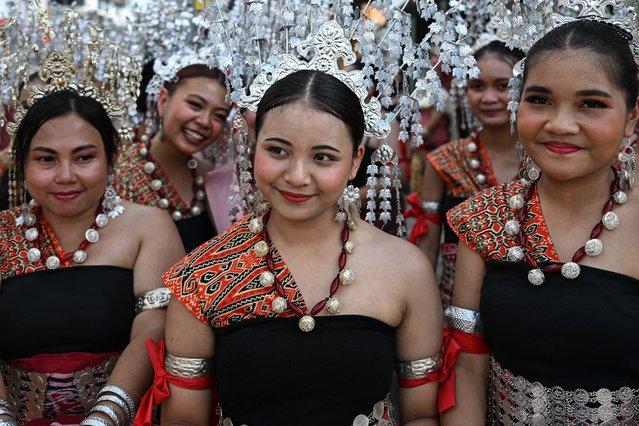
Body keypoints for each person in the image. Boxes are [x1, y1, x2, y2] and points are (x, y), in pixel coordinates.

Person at [135, 69, 443, 425]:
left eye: (323, 157)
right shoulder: (203, 273)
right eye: (278, 150)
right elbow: (185, 419)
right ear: (254, 147)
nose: (297, 176)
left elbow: (420, 414)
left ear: (356, 159)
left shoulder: (405, 269)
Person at [442, 19, 639, 423]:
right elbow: (468, 364)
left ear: (632, 117)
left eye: (592, 104)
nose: (560, 124)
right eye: (540, 100)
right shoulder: (485, 219)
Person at [0, 87, 184, 424]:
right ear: (22, 163)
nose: (66, 175)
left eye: (84, 157)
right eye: (46, 159)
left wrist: (106, 416)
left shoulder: (148, 226)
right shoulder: (3, 233)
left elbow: (155, 327)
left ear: (111, 158)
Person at [409, 41, 524, 309]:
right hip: (457, 311)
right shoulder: (446, 160)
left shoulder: (547, 161)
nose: (488, 98)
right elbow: (426, 252)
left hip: (530, 308)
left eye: (502, 85)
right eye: (477, 86)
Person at [115, 64, 231, 253]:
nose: (204, 121)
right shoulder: (119, 170)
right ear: (163, 102)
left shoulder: (208, 176)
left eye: (218, 116)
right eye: (195, 105)